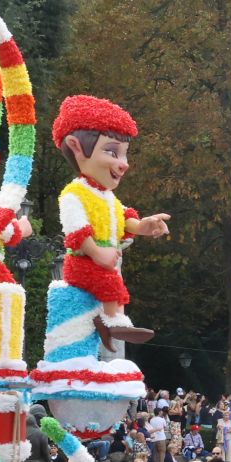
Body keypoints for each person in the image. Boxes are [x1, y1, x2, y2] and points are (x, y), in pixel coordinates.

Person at [52, 95, 171, 343]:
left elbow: (123, 218)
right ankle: (113, 321)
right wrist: (96, 253)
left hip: (102, 262)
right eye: (112, 152)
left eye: (124, 155)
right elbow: (77, 230)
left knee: (116, 287)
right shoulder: (73, 194)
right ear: (75, 146)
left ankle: (113, 322)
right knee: (111, 285)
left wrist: (144, 226)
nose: (123, 164)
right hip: (82, 263)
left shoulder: (106, 197)